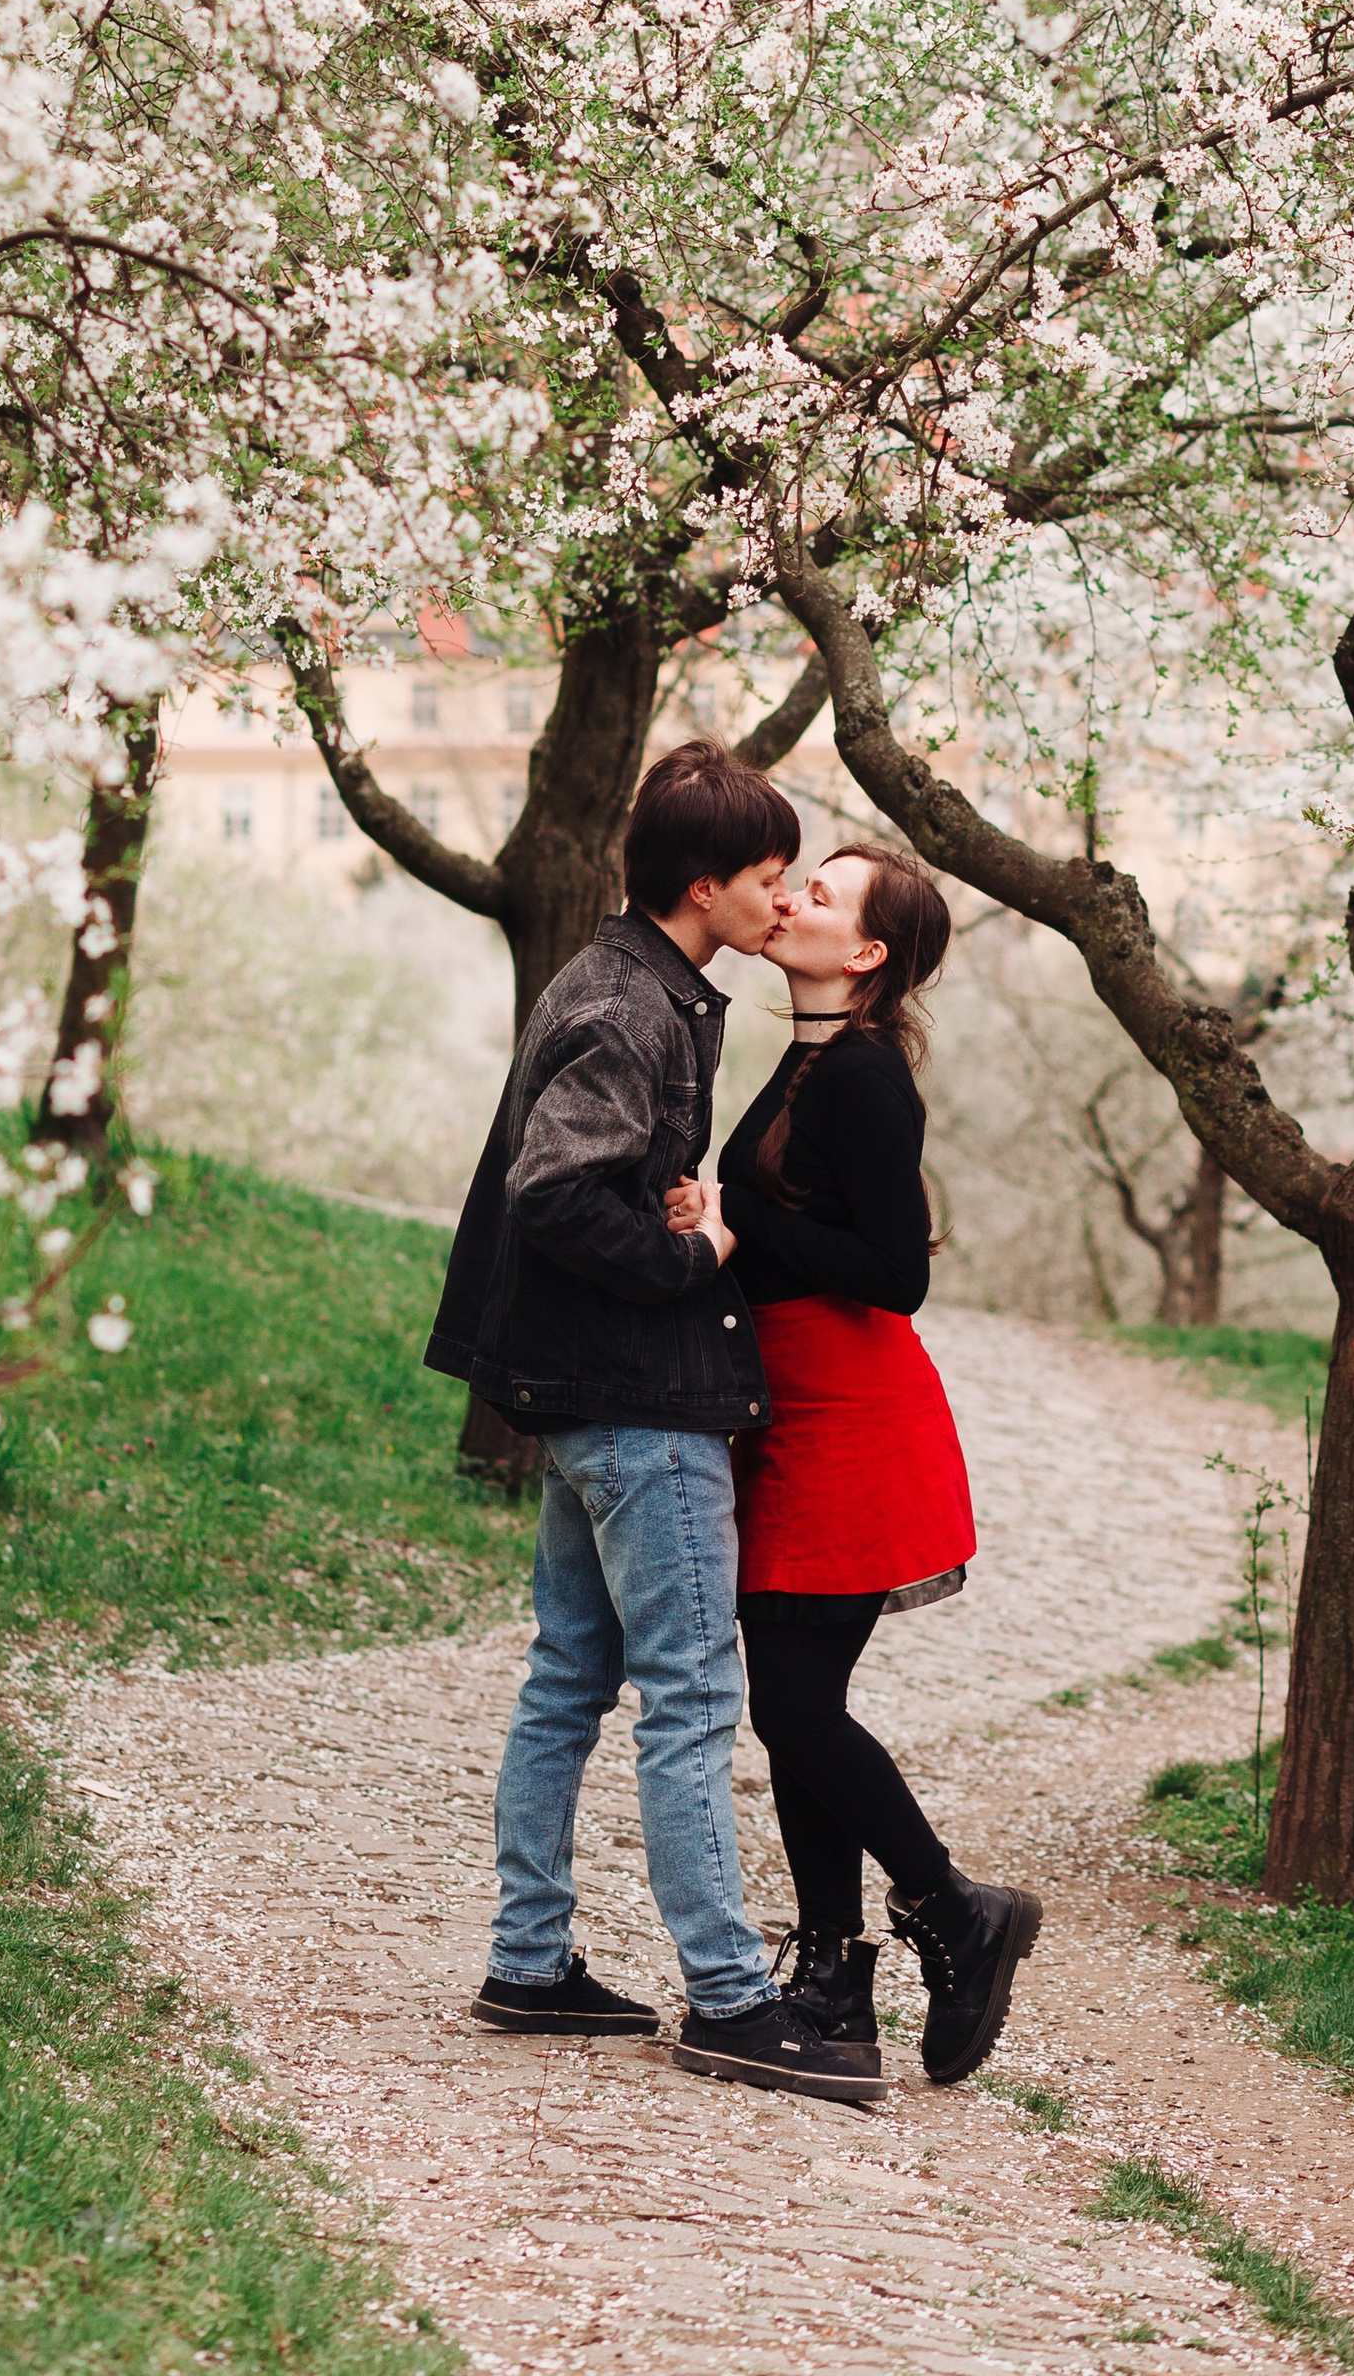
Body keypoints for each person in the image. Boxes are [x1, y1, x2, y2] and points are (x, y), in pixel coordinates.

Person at [424, 740, 877, 2105]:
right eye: (765, 874)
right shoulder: (631, 1009)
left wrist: (672, 1197)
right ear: (703, 886)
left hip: (589, 1394)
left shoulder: (639, 983)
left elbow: (596, 1176)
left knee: (570, 1675)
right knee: (690, 1693)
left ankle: (528, 1960)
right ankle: (732, 1998)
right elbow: (556, 1191)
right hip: (635, 1404)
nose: (782, 895)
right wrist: (696, 1255)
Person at [689, 837, 1041, 2091]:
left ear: (870, 951)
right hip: (792, 1408)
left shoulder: (863, 1078)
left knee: (792, 1709)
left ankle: (953, 1909)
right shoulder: (808, 1055)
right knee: (793, 1711)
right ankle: (834, 1979)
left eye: (821, 896)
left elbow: (899, 1274)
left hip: (849, 1412)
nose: (791, 901)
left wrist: (742, 1220)